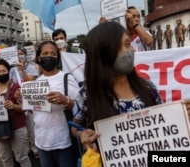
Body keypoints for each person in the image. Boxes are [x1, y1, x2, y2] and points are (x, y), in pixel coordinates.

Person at [71, 22, 163, 152]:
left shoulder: (148, 87)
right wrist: (82, 134)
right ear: (106, 52)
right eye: (126, 44)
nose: (132, 49)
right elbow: (75, 127)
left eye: (130, 43)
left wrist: (180, 113)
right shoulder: (87, 94)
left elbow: (164, 122)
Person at [33, 41, 80, 167]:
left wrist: (65, 100)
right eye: (45, 53)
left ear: (58, 58)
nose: (49, 56)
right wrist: (23, 101)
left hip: (63, 142)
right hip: (42, 142)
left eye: (53, 54)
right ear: (39, 58)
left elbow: (80, 108)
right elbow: (34, 111)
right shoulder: (36, 82)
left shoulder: (67, 78)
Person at [0, 59, 31, 167]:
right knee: (5, 158)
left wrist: (14, 106)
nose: (1, 73)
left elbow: (24, 108)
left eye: (4, 71)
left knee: (21, 157)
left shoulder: (16, 87)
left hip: (17, 128)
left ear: (8, 71)